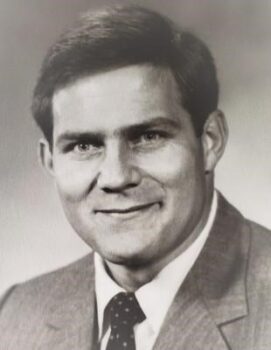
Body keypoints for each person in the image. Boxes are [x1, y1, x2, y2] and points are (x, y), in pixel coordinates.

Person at [0, 5, 270, 350]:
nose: (116, 176)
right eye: (84, 145)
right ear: (49, 160)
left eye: (148, 137)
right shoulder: (15, 315)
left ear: (210, 141)